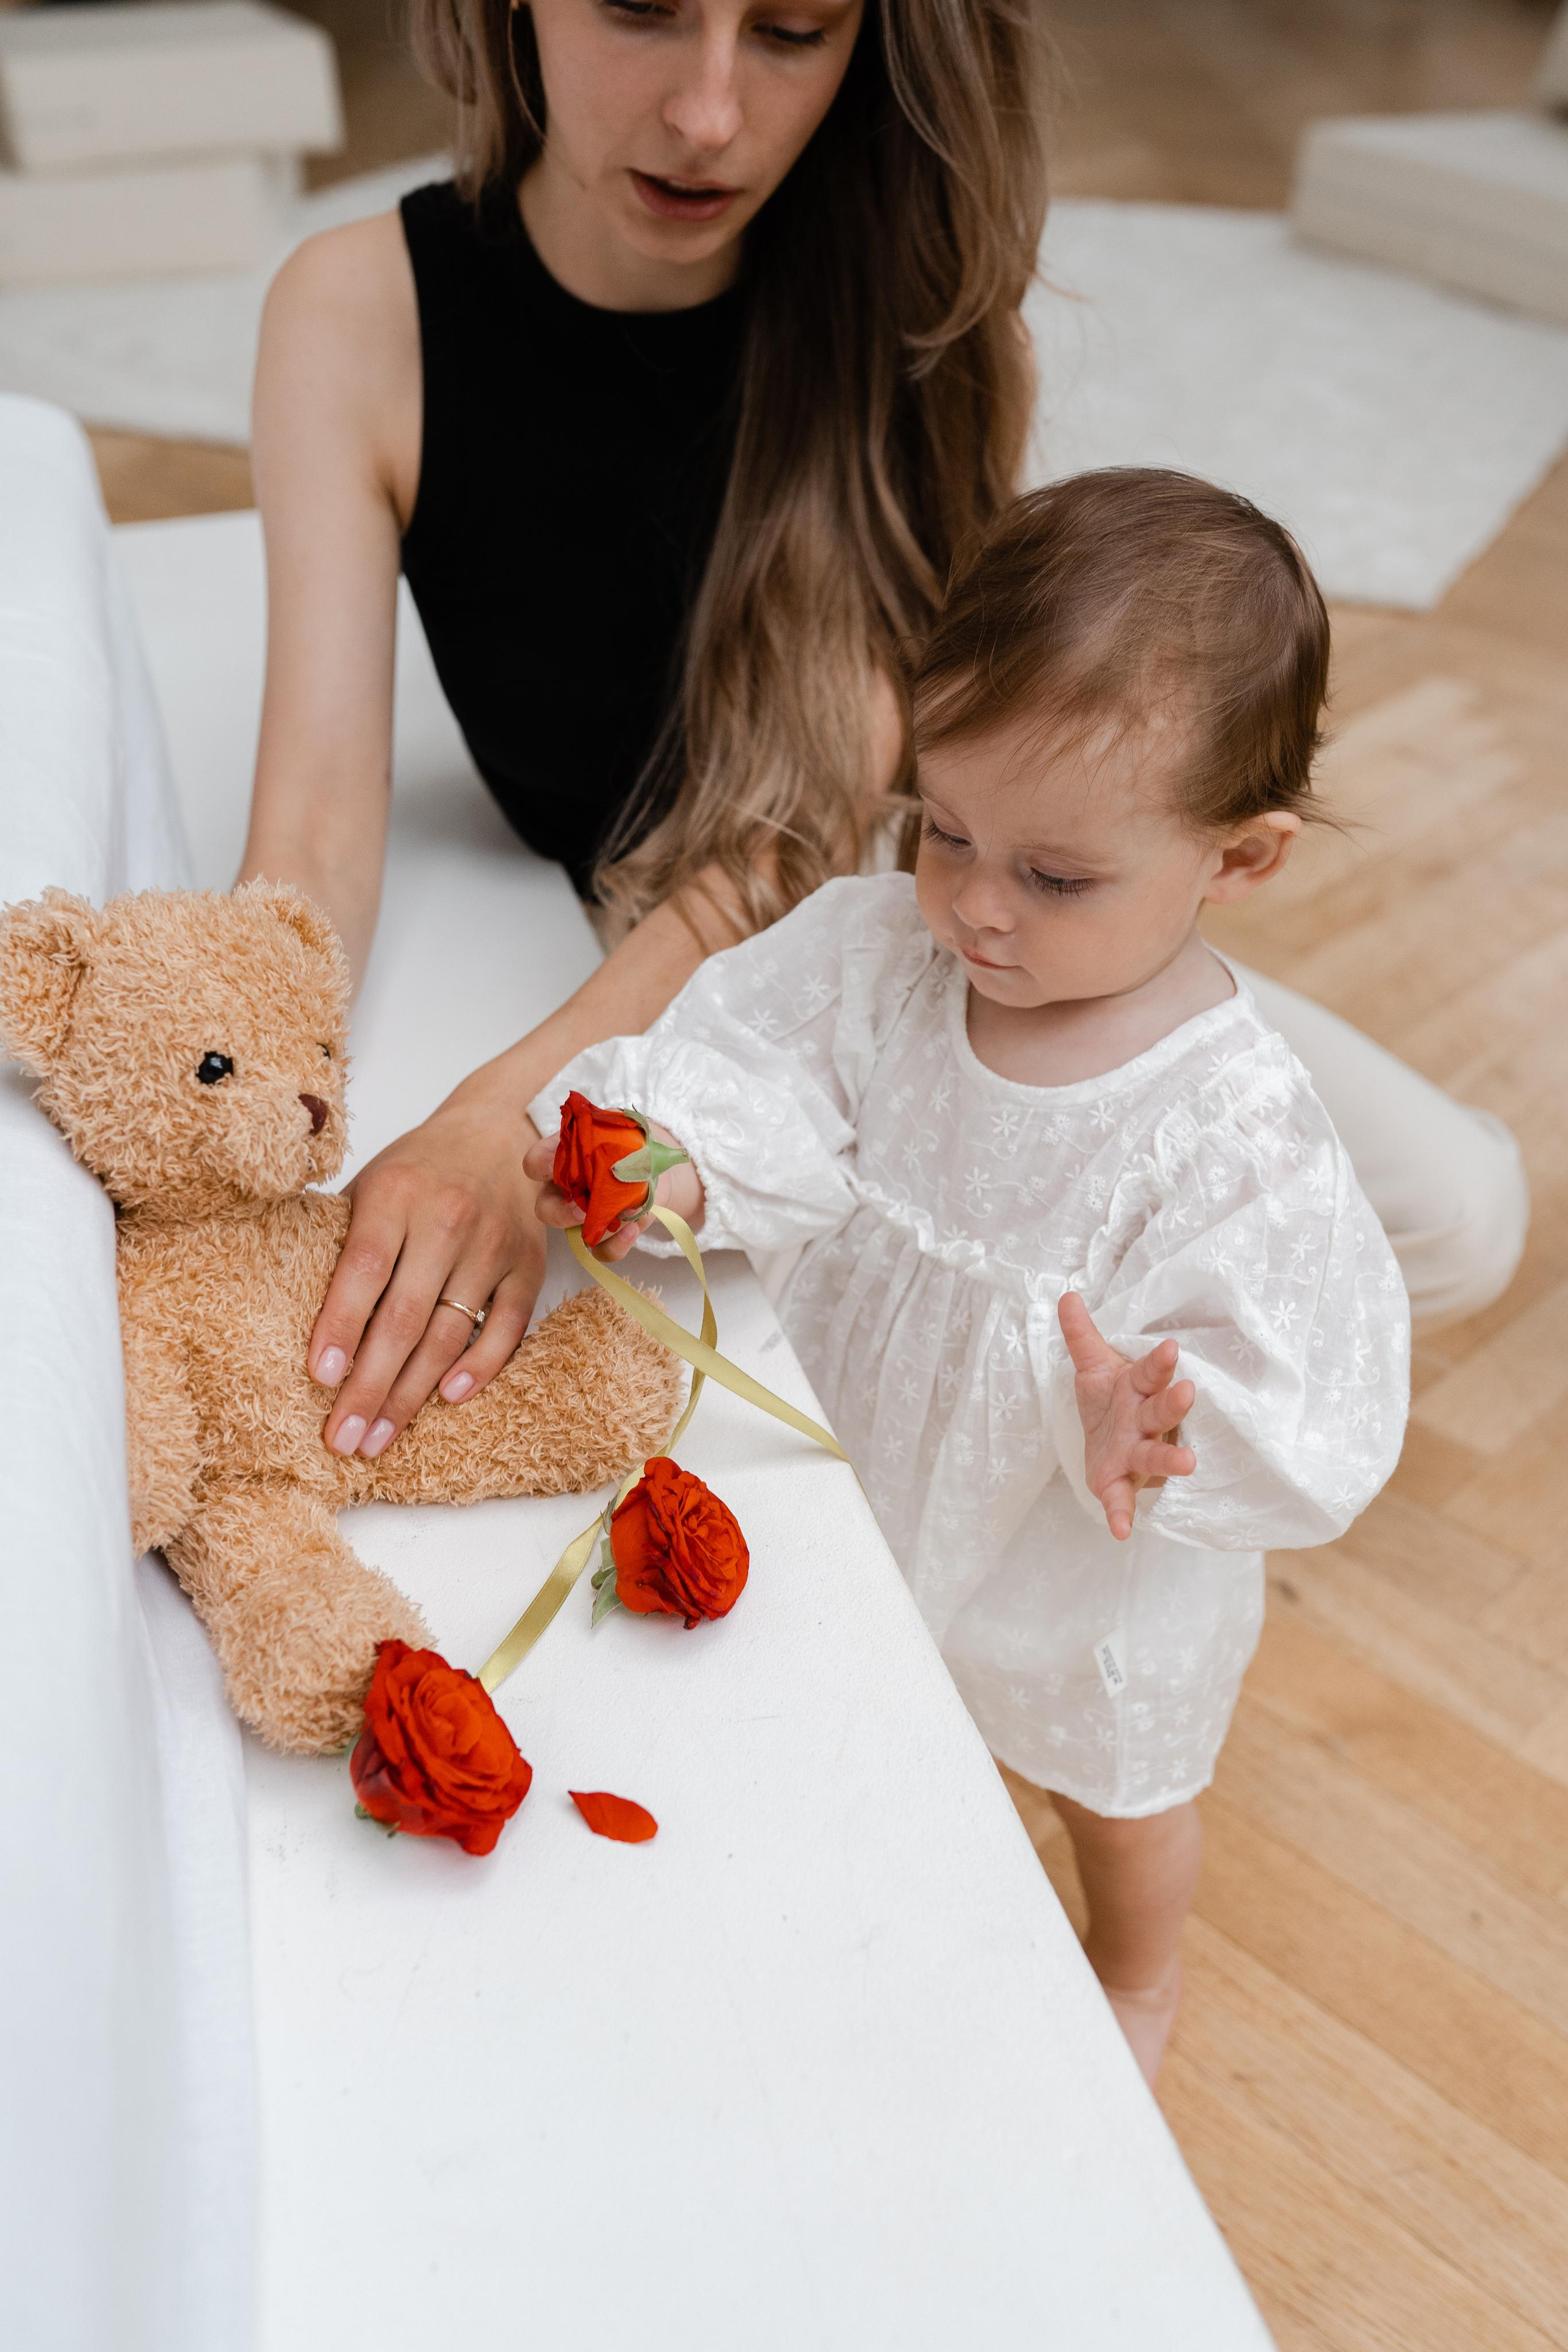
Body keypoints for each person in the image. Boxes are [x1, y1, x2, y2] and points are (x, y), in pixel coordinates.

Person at [238, 0, 1521, 1474]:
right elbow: (316, 833)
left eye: (791, 29)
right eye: (643, 10)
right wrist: (239, 1099)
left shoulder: (906, 303)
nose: (711, 114)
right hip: (742, 958)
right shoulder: (358, 312)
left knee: (1458, 1211)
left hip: (947, 896)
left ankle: (1063, 1404)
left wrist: (507, 1108)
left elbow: (793, 833)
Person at [526, 472, 1410, 2082]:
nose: (977, 910)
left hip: (1072, 1528)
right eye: (945, 832)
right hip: (875, 1433)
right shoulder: (884, 951)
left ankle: (1137, 1972)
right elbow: (772, 1078)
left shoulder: (1233, 1124)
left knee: (1113, 1782)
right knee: (845, 1654)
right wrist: (684, 1159)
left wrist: (1162, 1418)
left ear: (1245, 857)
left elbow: (1293, 1370)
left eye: (1056, 878)